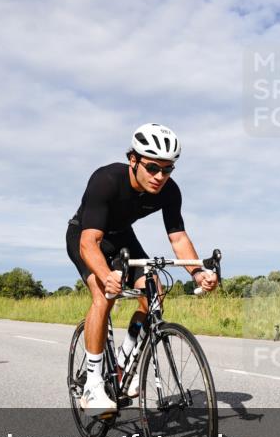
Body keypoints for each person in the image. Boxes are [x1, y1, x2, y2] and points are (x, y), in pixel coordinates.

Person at [66, 123, 218, 415]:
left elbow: (178, 237)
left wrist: (197, 272)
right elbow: (89, 243)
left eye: (168, 169)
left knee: (154, 294)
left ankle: (124, 363)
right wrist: (106, 275)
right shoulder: (106, 180)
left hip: (122, 237)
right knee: (103, 296)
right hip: (87, 237)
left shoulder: (169, 191)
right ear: (133, 160)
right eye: (152, 167)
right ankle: (93, 384)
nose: (160, 176)